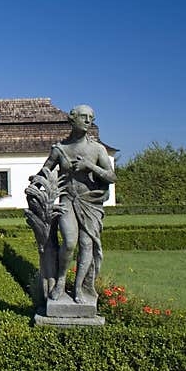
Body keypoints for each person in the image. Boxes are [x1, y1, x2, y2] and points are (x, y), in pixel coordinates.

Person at [36, 105, 116, 304]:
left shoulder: (98, 149)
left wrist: (89, 166)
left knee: (86, 244)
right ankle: (61, 281)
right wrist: (35, 184)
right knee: (70, 242)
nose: (88, 120)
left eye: (91, 117)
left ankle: (79, 288)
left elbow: (111, 176)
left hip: (90, 203)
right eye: (83, 116)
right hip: (67, 200)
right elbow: (45, 171)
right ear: (72, 120)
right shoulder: (60, 150)